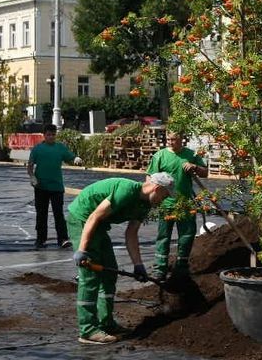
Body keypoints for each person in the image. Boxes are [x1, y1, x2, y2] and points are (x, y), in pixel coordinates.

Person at [67, 173, 173, 344]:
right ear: (157, 188)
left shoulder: (145, 205)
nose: (164, 200)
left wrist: (138, 265)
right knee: (90, 276)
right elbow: (93, 216)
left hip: (99, 225)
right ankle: (87, 330)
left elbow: (131, 233)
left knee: (110, 273)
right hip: (83, 218)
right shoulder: (126, 190)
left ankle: (106, 322)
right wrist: (82, 250)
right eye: (165, 195)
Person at [148, 131, 208, 280]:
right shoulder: (159, 156)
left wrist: (194, 167)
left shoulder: (190, 155)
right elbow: (150, 178)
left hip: (185, 203)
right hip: (166, 203)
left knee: (186, 236)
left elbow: (205, 173)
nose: (170, 141)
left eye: (173, 139)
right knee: (163, 236)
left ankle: (181, 266)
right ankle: (160, 268)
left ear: (182, 139)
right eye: (168, 139)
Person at [26, 124, 84, 249]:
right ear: (44, 135)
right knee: (41, 214)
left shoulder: (60, 148)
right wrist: (32, 177)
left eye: (53, 135)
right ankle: (40, 239)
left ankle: (63, 239)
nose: (51, 137)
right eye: (48, 135)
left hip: (56, 187)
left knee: (59, 214)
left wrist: (76, 159)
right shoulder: (37, 149)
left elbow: (70, 157)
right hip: (41, 186)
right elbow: (30, 166)